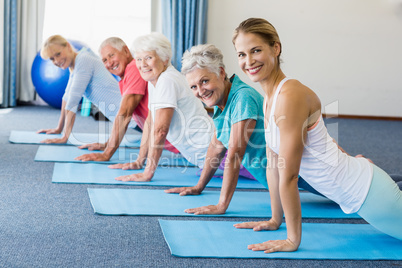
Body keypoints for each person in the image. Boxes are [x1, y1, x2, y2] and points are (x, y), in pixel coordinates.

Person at [231, 18, 402, 253]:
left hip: (368, 194)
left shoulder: (290, 96)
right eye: (241, 54)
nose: (248, 61)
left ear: (276, 48)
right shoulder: (269, 99)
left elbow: (290, 177)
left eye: (256, 50)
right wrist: (275, 219)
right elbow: (273, 165)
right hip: (357, 190)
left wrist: (292, 240)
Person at [165, 44, 320, 215]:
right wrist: (199, 186)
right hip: (291, 175)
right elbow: (216, 146)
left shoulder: (242, 98)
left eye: (204, 81)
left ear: (221, 73)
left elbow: (235, 154)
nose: (201, 91)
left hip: (310, 170)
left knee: (346, 188)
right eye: (193, 87)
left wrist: (221, 205)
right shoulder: (222, 102)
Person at [111, 33, 214, 182]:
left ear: (165, 58)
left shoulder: (167, 80)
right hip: (208, 157)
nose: (142, 64)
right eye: (139, 59)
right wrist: (140, 160)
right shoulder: (155, 79)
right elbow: (150, 122)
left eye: (148, 58)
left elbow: (160, 131)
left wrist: (148, 173)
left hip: (219, 154)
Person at [75, 37, 178, 162]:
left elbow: (125, 114)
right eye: (105, 60)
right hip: (177, 145)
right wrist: (108, 143)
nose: (109, 63)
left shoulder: (134, 68)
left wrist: (107, 154)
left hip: (183, 145)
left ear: (125, 51)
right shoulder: (127, 74)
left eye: (111, 55)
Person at [37, 35, 125, 144]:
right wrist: (59, 128)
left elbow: (73, 100)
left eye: (58, 54)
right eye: (52, 58)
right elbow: (66, 97)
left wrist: (65, 137)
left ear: (68, 46)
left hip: (133, 116)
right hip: (122, 118)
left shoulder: (83, 60)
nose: (57, 61)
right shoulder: (74, 64)